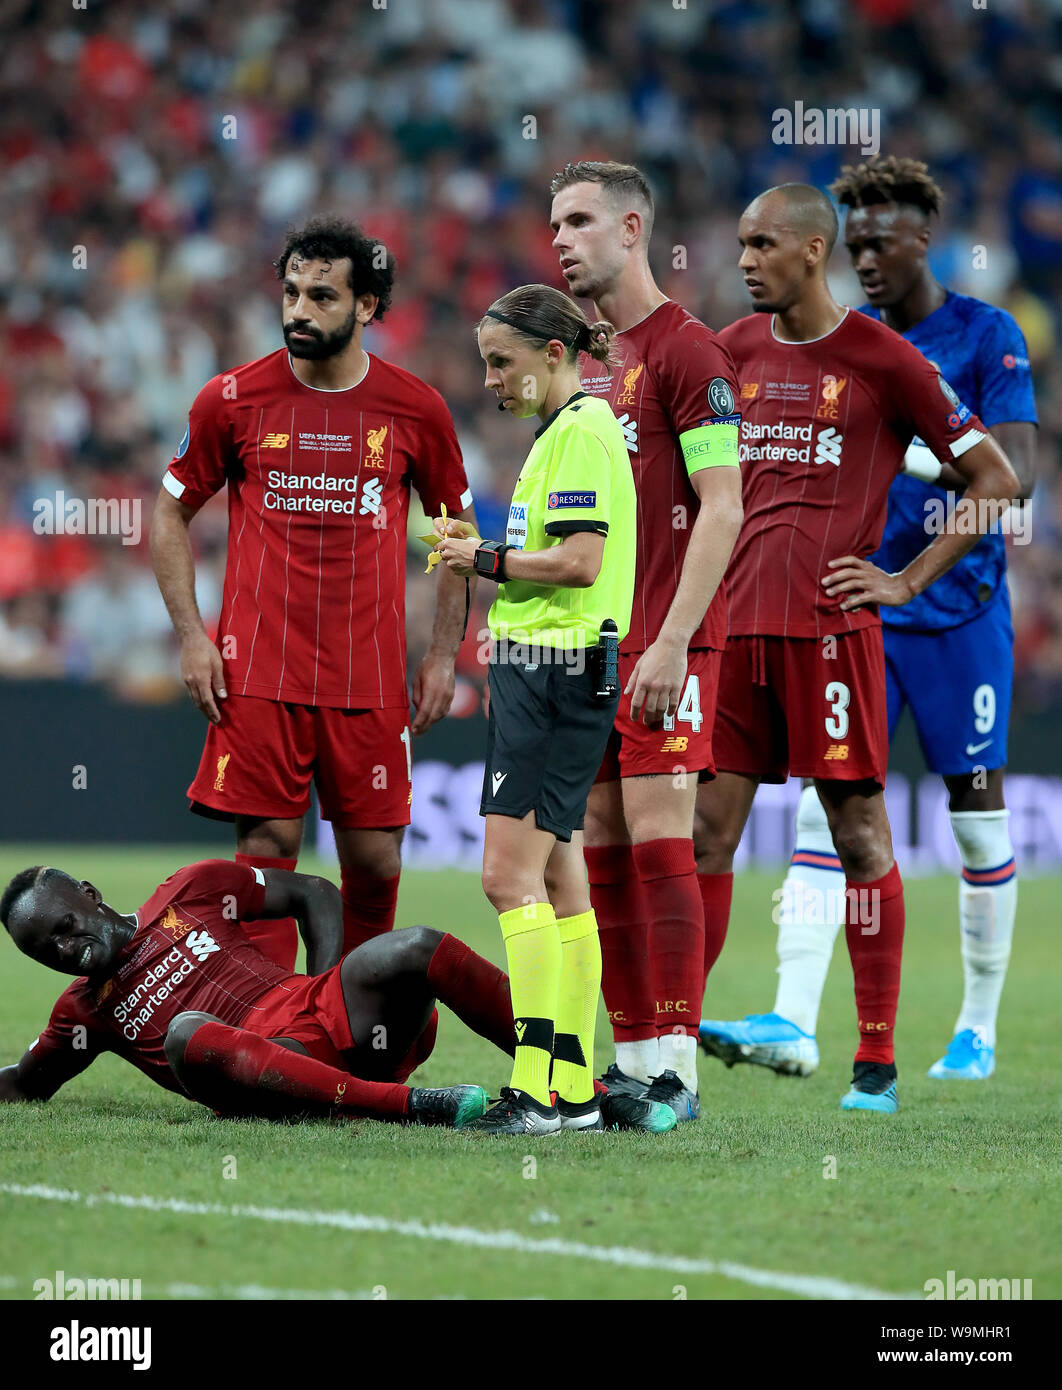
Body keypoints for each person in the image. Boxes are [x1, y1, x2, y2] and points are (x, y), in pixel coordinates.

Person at [698, 157, 1037, 1083]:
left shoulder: (972, 338)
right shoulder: (788, 343)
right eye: (860, 244)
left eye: (884, 240)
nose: (871, 257)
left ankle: (970, 1030)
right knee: (817, 820)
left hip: (955, 613)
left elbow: (1011, 477)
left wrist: (905, 532)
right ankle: (784, 1021)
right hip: (826, 616)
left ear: (924, 239)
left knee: (971, 822)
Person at [150, 216, 476, 973]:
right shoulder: (231, 399)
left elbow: (458, 534)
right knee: (267, 851)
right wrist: (193, 637)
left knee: (375, 859)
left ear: (366, 305)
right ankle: (266, 1021)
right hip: (259, 673)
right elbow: (168, 514)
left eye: (321, 296)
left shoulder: (416, 408)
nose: (299, 309)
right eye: (291, 292)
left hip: (369, 677)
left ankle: (357, 1023)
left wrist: (440, 655)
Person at [434, 283, 672, 1135]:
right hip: (559, 670)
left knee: (506, 879)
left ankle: (532, 1091)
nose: (491, 379)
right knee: (563, 879)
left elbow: (578, 562)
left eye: (502, 362)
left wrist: (485, 559)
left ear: (554, 354)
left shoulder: (578, 432)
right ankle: (571, 1090)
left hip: (554, 671)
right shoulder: (569, 431)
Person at [547, 160, 743, 1124]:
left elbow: (724, 506)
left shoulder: (688, 353)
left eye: (580, 221)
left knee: (664, 838)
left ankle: (678, 1071)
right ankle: (631, 1062)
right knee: (605, 844)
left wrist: (671, 642)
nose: (561, 241)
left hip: (668, 642)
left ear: (633, 230)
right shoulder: (586, 361)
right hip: (593, 648)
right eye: (555, 225)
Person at [0, 858, 519, 1128]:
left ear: (90, 895)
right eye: (45, 951)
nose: (64, 949)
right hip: (265, 1074)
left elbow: (314, 893)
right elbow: (24, 1084)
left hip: (321, 1015)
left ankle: (552, 1069)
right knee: (186, 1032)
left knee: (419, 945)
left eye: (64, 926)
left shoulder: (191, 888)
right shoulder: (82, 1011)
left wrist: (324, 984)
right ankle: (412, 1105)